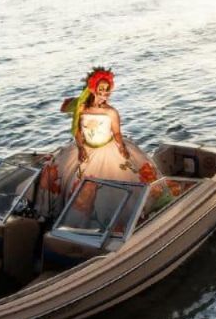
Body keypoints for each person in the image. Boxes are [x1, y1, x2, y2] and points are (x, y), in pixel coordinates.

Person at [38, 67, 159, 217]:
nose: (104, 94)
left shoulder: (111, 112)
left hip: (108, 150)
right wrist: (81, 148)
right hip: (85, 148)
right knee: (66, 177)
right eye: (101, 90)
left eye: (107, 90)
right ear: (93, 89)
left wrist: (122, 148)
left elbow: (116, 133)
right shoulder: (82, 107)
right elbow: (77, 130)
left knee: (122, 179)